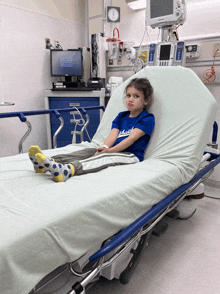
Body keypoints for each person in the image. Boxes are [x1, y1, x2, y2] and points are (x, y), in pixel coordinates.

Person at [28, 78, 155, 182]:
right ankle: (47, 162)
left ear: (146, 101)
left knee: (104, 158)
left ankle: (68, 170)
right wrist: (104, 147)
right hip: (113, 149)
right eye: (128, 95)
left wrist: (108, 152)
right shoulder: (121, 116)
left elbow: (130, 139)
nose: (130, 99)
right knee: (88, 151)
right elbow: (112, 136)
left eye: (136, 96)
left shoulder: (147, 118)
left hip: (131, 155)